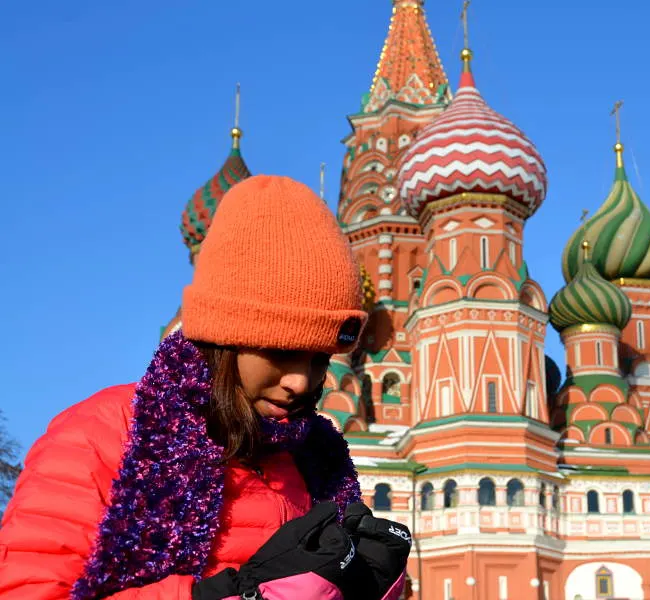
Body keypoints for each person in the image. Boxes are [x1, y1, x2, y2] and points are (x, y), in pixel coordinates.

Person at [0, 175, 410, 600]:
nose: (300, 382)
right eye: (281, 352)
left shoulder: (314, 459)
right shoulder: (103, 437)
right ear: (223, 338)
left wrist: (370, 586)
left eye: (319, 359)